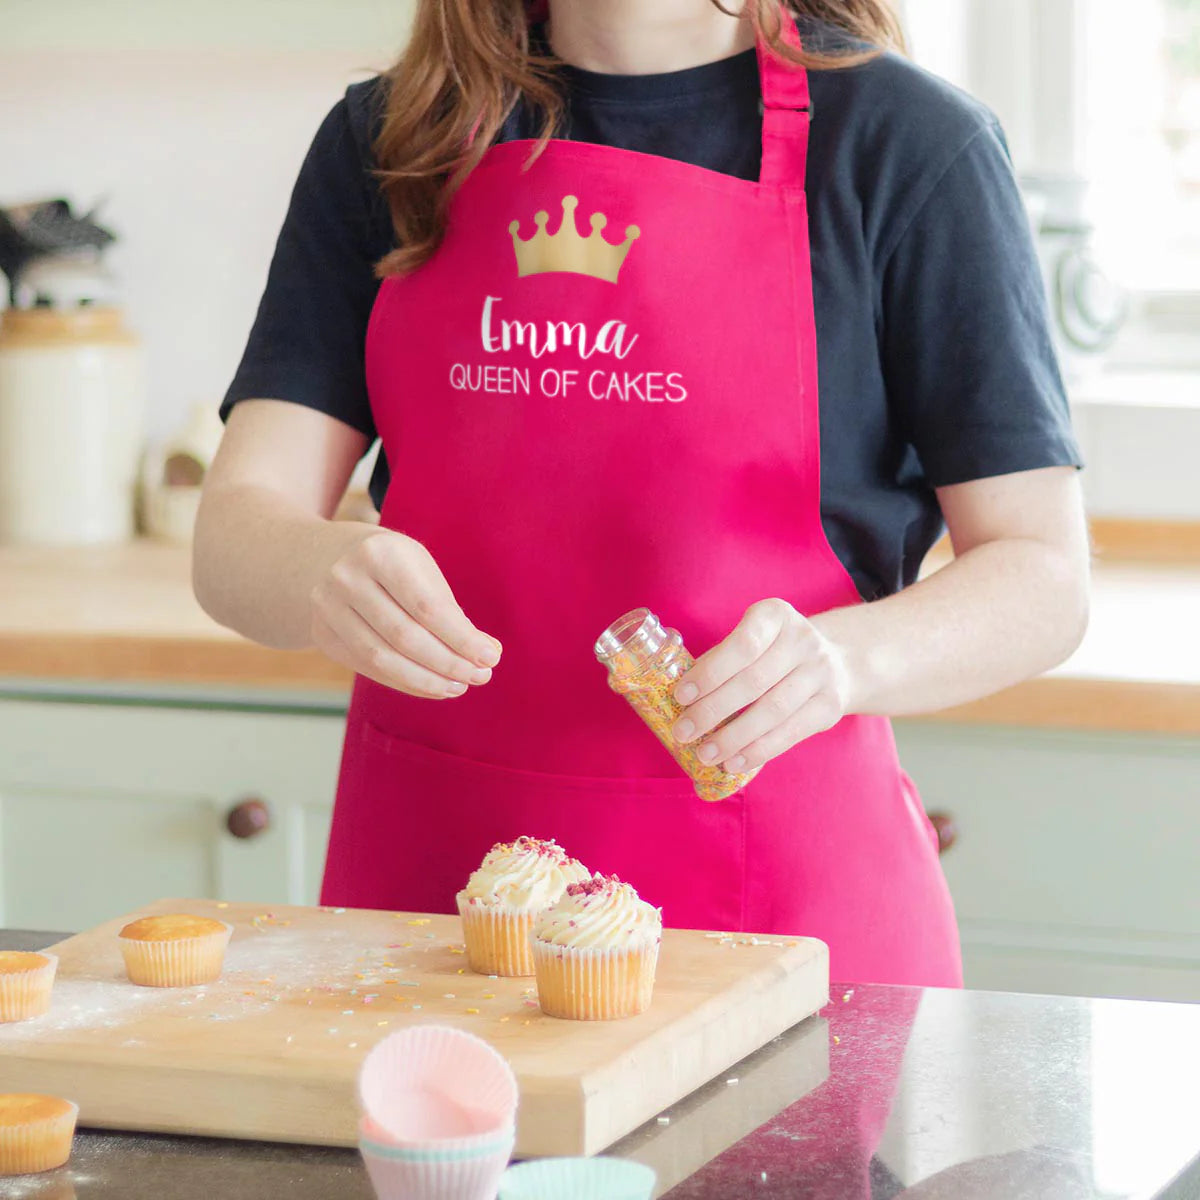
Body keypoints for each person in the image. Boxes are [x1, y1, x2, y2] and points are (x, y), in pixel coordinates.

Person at [194, 0, 1090, 988]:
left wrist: (838, 662)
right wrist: (318, 571)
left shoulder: (907, 146)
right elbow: (234, 534)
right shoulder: (391, 138)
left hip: (776, 931)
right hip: (435, 926)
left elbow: (1041, 575)